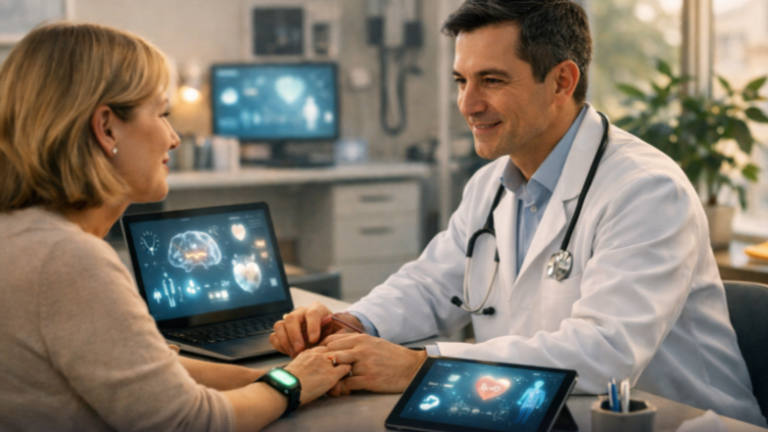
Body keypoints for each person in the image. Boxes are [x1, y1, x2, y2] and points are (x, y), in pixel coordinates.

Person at [271, 0, 768, 426]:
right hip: (536, 411)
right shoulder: (491, 184)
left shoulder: (647, 191)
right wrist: (352, 324)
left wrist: (418, 366)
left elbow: (604, 355)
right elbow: (430, 285)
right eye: (461, 80)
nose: (467, 104)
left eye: (491, 80)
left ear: (561, 81)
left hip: (680, 422)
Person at [0, 22, 350, 432]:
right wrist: (292, 384)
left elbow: (151, 371)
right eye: (162, 114)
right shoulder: (68, 260)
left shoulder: (22, 236)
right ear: (107, 128)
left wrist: (272, 376)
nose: (173, 138)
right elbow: (189, 421)